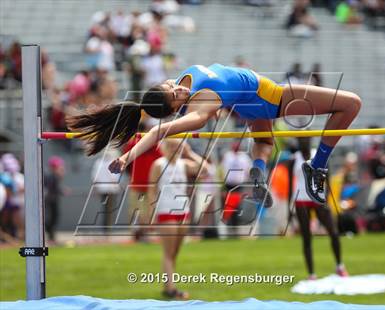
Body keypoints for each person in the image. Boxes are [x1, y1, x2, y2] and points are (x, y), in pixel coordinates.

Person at [66, 63, 362, 207]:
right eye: (177, 99)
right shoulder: (199, 107)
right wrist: (128, 155)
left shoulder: (179, 80)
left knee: (263, 143)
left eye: (174, 89)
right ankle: (318, 165)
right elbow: (158, 130)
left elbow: (159, 105)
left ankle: (258, 172)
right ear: (177, 109)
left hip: (247, 102)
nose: (180, 91)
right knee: (350, 104)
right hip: (270, 97)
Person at [148, 139, 208, 299]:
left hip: (183, 211)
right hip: (166, 211)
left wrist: (190, 152)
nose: (175, 149)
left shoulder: (184, 164)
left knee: (175, 252)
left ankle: (168, 284)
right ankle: (170, 289)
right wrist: (151, 213)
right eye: (172, 145)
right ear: (164, 147)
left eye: (178, 146)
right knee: (168, 252)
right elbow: (152, 190)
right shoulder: (159, 164)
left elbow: (206, 170)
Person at [293, 137, 348, 279]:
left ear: (310, 141)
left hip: (318, 199)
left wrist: (326, 198)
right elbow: (289, 184)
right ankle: (311, 274)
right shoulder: (295, 159)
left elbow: (327, 177)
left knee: (334, 232)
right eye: (301, 141)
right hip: (301, 200)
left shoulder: (319, 155)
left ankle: (340, 266)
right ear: (298, 142)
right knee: (306, 238)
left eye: (306, 140)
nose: (303, 142)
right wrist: (289, 205)